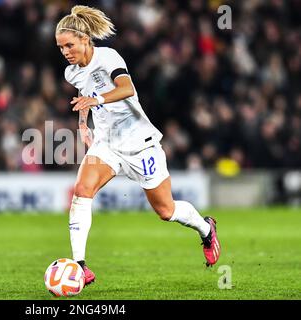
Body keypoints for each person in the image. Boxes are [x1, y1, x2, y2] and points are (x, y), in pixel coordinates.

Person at [55, 5, 221, 287]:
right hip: (107, 144)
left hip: (140, 145)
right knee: (82, 192)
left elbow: (126, 88)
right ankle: (80, 266)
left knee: (166, 211)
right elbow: (85, 95)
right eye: (60, 48)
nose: (65, 52)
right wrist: (84, 124)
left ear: (85, 39)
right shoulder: (72, 73)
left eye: (69, 45)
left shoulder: (108, 57)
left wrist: (96, 101)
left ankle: (206, 229)